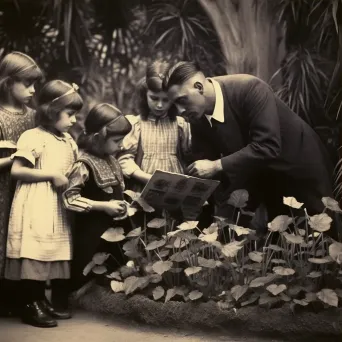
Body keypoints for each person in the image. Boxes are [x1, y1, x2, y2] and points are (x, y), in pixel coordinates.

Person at [162, 61, 336, 235]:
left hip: (301, 167)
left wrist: (216, 165)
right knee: (282, 240)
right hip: (264, 176)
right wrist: (185, 191)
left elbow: (267, 146)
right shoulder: (196, 116)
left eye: (181, 100)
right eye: (175, 105)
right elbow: (207, 170)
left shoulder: (249, 88)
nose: (179, 110)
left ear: (199, 87)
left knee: (321, 233)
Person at [5, 80, 83, 328]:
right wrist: (50, 175)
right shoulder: (33, 136)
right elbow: (17, 170)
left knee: (49, 253)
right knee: (34, 251)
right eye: (69, 114)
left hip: (55, 203)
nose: (73, 120)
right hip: (36, 202)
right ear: (51, 110)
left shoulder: (67, 139)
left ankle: (40, 299)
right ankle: (30, 302)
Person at [63, 103, 132, 293]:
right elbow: (70, 198)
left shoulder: (113, 160)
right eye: (117, 140)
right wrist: (103, 206)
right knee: (86, 271)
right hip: (90, 235)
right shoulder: (83, 164)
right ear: (97, 138)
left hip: (114, 233)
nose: (122, 145)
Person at [0, 51, 43, 316]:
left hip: (28, 190)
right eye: (26, 84)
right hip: (2, 190)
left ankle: (25, 299)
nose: (32, 90)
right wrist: (16, 156)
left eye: (35, 84)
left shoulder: (35, 116)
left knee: (24, 239)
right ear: (7, 83)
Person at [118, 60, 191, 191]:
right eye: (154, 98)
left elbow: (190, 157)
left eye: (166, 100)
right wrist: (146, 178)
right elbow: (124, 160)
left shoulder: (181, 125)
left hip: (173, 190)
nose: (159, 105)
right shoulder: (135, 124)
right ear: (144, 96)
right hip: (142, 186)